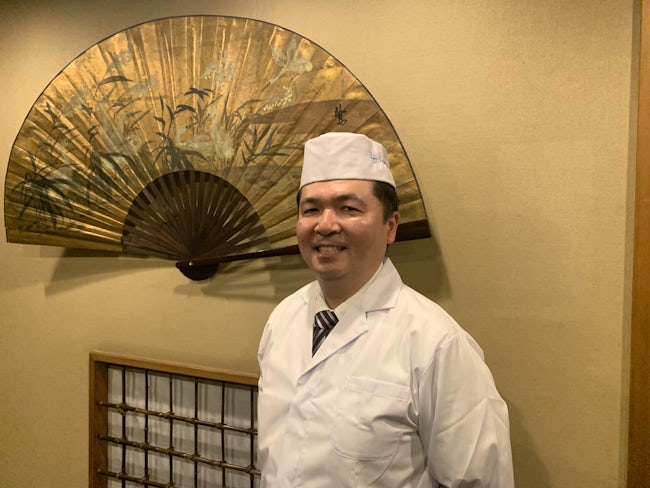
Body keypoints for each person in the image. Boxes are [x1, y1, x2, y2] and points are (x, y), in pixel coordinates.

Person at [257, 132, 514, 487]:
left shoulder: (436, 343)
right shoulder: (282, 319)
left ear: (390, 226)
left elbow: (480, 480)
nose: (325, 225)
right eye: (311, 209)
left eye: (348, 208)